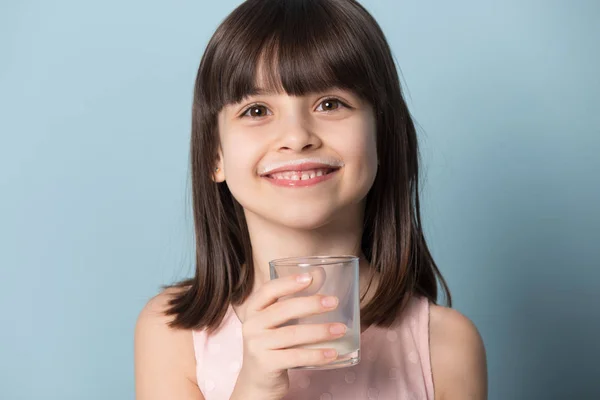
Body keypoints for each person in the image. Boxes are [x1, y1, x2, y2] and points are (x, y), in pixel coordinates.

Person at [134, 0, 487, 399]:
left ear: (383, 139)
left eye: (330, 104)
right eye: (257, 110)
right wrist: (254, 386)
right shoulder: (174, 332)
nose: (297, 135)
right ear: (215, 156)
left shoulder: (445, 345)